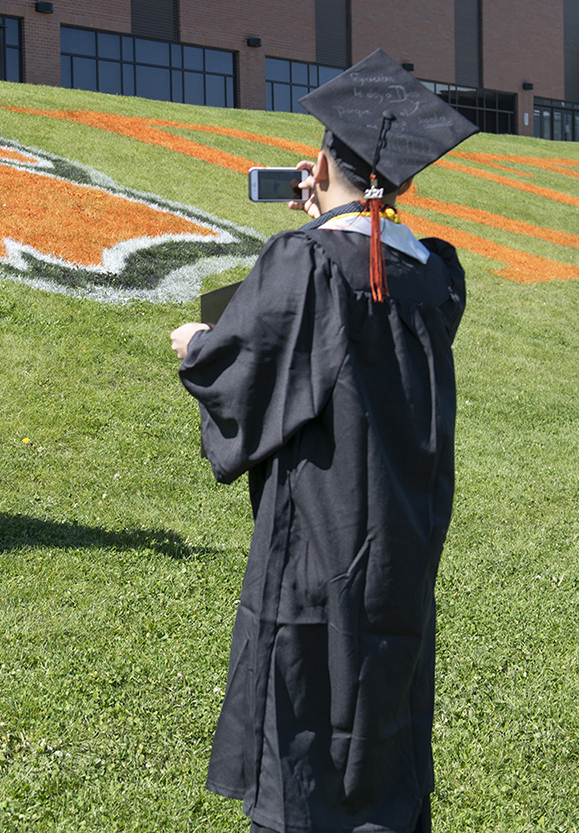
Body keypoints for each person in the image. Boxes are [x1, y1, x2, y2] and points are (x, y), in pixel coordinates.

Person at [170, 49, 479, 833]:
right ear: (403, 183)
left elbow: (242, 371)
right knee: (385, 721)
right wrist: (333, 219)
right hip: (401, 552)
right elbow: (360, 301)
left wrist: (195, 343)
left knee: (304, 735)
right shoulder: (436, 275)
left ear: (316, 163)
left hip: (314, 553)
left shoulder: (303, 263)